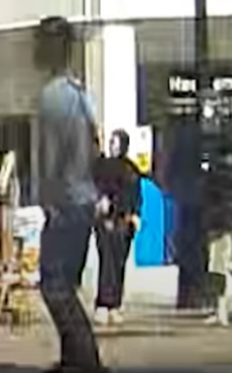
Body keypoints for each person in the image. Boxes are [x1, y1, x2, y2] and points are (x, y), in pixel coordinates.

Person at [34, 17, 105, 373]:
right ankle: (72, 358)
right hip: (85, 198)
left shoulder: (52, 96)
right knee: (66, 282)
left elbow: (50, 156)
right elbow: (93, 147)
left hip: (65, 201)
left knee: (54, 284)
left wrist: (47, 199)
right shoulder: (80, 94)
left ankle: (86, 358)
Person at [92, 129, 142, 326]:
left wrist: (136, 214)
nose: (113, 146)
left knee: (120, 263)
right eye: (111, 142)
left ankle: (115, 304)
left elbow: (136, 195)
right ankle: (103, 304)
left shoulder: (131, 168)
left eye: (116, 142)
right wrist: (100, 201)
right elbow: (95, 188)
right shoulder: (101, 166)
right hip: (106, 220)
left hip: (124, 221)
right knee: (107, 262)